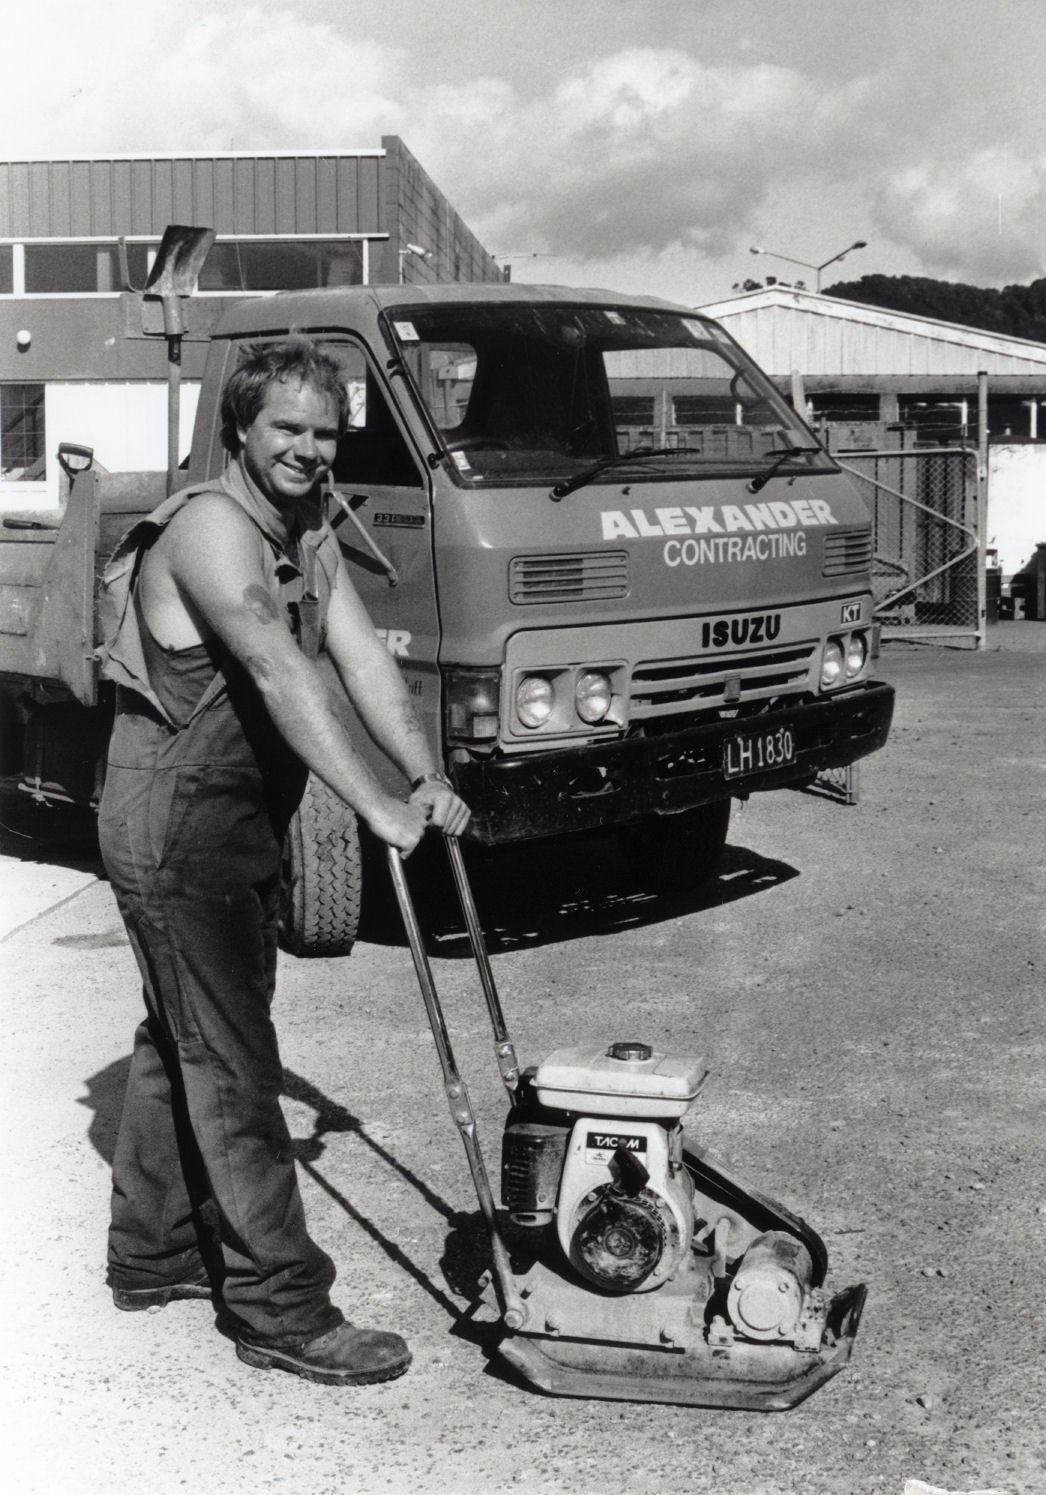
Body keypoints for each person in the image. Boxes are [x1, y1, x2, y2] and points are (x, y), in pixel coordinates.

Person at [97, 338, 469, 1387]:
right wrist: (379, 810)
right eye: (288, 429)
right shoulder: (211, 528)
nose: (309, 449)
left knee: (185, 1040)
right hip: (173, 813)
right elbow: (275, 664)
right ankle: (280, 1305)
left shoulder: (302, 528)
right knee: (231, 1061)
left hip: (236, 816)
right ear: (240, 429)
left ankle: (154, 1255)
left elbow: (357, 656)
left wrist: (425, 774)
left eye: (325, 431)